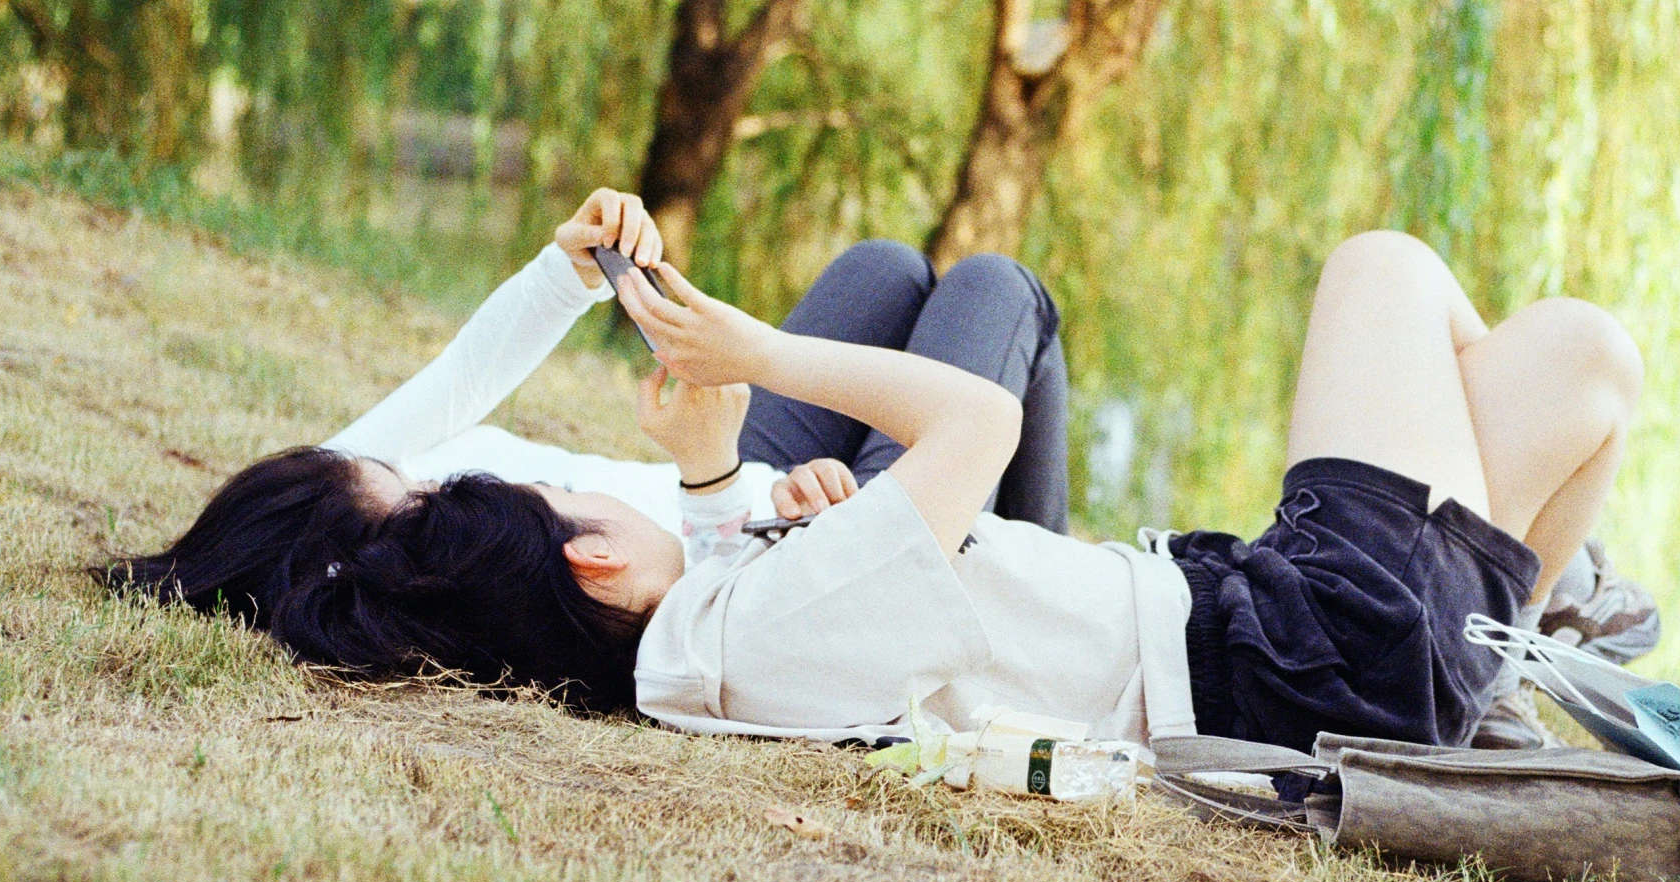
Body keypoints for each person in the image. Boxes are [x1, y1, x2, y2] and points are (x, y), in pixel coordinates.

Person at [608, 225, 1649, 753]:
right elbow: (980, 418)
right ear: (590, 558)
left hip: (1297, 630)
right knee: (1384, 267)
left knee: (1589, 357)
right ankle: (1495, 638)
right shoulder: (730, 645)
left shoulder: (716, 637)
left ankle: (1492, 651)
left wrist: (732, 488)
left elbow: (722, 566)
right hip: (1318, 644)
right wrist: (758, 353)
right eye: (592, 510)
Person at [102, 189, 1073, 712]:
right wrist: (740, 492)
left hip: (725, 464)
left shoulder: (357, 485)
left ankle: (1004, 551)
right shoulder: (410, 554)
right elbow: (670, 596)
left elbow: (455, 384)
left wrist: (567, 273)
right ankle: (1036, 578)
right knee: (994, 290)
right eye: (396, 479)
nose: (417, 469)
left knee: (881, 272)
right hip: (761, 532)